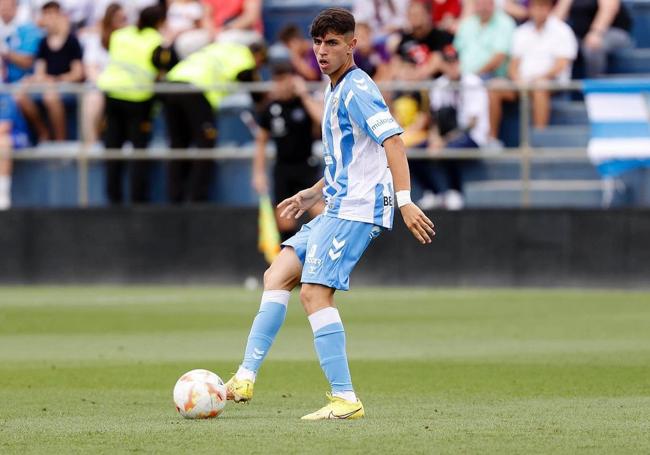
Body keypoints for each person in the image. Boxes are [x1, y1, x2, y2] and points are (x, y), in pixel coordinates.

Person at [224, 8, 435, 421]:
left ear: (352, 45)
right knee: (278, 273)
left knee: (314, 293)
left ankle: (345, 398)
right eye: (318, 43)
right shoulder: (334, 88)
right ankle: (244, 377)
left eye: (333, 43)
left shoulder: (357, 88)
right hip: (336, 204)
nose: (323, 51)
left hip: (358, 209)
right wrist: (313, 192)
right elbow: (351, 156)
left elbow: (393, 141)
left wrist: (405, 200)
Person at [163, 39, 265, 203]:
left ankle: (175, 198)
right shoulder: (243, 54)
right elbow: (247, 78)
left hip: (171, 84)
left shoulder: (222, 48)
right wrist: (262, 100)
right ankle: (197, 199)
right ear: (257, 55)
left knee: (178, 145)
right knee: (206, 145)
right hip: (196, 90)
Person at [96, 5, 166, 204]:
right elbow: (159, 70)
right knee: (139, 151)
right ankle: (138, 200)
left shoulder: (120, 35)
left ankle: (113, 199)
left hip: (113, 94)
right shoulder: (156, 40)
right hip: (138, 99)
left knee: (113, 149)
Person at [488, 0, 577, 144]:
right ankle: (490, 140)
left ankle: (538, 140)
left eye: (543, 7)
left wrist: (539, 77)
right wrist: (517, 79)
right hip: (523, 83)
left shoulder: (562, 30)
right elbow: (513, 65)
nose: (539, 11)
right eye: (536, 7)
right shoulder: (521, 32)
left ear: (549, 8)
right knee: (494, 86)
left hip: (551, 83)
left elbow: (561, 64)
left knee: (539, 86)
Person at [252, 63, 324, 241]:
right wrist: (258, 173)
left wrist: (304, 94)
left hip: (306, 166)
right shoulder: (270, 109)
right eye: (276, 80)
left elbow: (323, 121)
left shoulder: (304, 103)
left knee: (320, 213)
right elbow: (261, 141)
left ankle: (321, 257)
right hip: (282, 168)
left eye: (284, 79)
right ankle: (290, 264)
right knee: (285, 221)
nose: (279, 84)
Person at [426, 44, 489, 209]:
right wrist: (435, 138)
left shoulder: (473, 82)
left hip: (474, 136)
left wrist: (443, 141)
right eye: (448, 62)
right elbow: (435, 118)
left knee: (448, 150)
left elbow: (471, 123)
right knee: (413, 152)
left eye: (454, 61)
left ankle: (455, 191)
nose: (452, 65)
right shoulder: (439, 85)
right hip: (446, 136)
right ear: (443, 65)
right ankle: (433, 192)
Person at [15, 1, 84, 142]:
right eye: (46, 15)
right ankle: (43, 133)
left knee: (50, 97)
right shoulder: (43, 42)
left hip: (67, 87)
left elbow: (78, 74)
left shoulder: (72, 41)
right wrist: (33, 80)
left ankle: (60, 140)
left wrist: (57, 79)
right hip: (50, 85)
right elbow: (41, 71)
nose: (50, 19)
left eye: (53, 14)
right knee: (19, 95)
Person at [79, 2, 128, 145]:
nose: (120, 23)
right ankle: (91, 142)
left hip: (123, 86)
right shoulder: (95, 39)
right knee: (93, 98)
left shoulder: (128, 39)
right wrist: (106, 84)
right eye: (117, 18)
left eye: (123, 19)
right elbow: (90, 68)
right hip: (101, 85)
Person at [553, 0, 632, 78]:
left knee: (592, 47)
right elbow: (557, 19)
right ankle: (561, 87)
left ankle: (595, 85)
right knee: (561, 46)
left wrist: (596, 32)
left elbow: (609, 9)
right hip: (580, 34)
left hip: (611, 31)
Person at [391, 0, 453, 81]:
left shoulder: (440, 36)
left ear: (427, 14)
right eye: (412, 15)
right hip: (410, 84)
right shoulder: (405, 39)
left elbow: (436, 62)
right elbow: (397, 63)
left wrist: (414, 76)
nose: (415, 18)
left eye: (418, 14)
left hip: (436, 84)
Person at [453, 0, 516, 79]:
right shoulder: (467, 23)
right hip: (462, 76)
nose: (483, 8)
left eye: (487, 3)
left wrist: (475, 75)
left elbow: (500, 56)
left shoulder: (505, 22)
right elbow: (455, 50)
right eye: (480, 4)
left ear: (493, 4)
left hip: (489, 76)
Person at [0, 0, 43, 85]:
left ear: (16, 7)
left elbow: (27, 62)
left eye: (7, 4)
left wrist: (5, 52)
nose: (4, 8)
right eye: (2, 4)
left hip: (23, 85)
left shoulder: (28, 29)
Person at [0, 94, 30, 210]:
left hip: (18, 136)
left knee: (3, 143)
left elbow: (4, 128)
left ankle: (2, 195)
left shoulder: (4, 98)